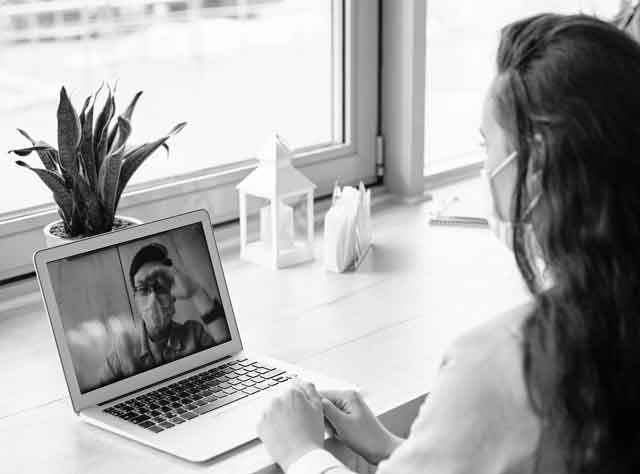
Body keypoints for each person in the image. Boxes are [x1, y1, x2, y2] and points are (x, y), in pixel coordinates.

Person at [257, 13, 640, 474]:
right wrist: (391, 448)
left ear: (535, 165)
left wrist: (301, 452)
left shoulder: (501, 362)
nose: (485, 167)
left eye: (486, 146)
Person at [100, 243, 231, 384]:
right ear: (135, 299)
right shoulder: (122, 351)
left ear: (173, 295)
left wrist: (195, 292)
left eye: (160, 287)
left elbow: (228, 361)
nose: (153, 299)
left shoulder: (195, 334)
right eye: (143, 288)